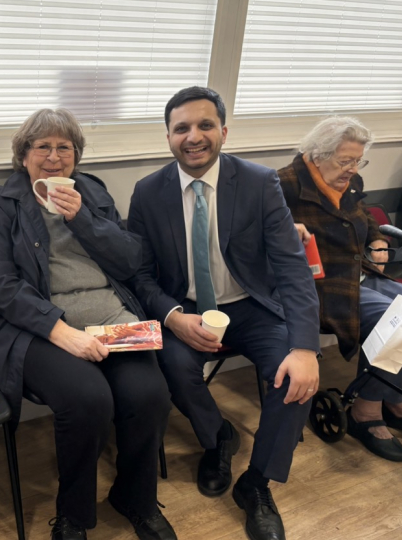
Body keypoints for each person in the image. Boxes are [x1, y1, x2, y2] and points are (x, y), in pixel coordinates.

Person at [0, 109, 174, 540]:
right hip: (37, 327)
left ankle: (134, 497)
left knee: (149, 393)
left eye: (65, 148)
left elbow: (129, 259)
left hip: (109, 315)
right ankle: (73, 515)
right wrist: (61, 332)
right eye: (42, 146)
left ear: (76, 157)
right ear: (24, 155)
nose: (54, 157)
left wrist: (83, 218)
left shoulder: (92, 192)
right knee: (88, 399)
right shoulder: (4, 202)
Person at [127, 87, 320, 540]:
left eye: (205, 125)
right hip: (187, 307)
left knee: (296, 374)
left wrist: (307, 347)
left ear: (223, 131)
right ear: (169, 137)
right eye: (181, 128)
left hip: (251, 304)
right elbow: (140, 276)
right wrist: (173, 317)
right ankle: (217, 440)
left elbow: (292, 269)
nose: (194, 136)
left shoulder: (258, 181)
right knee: (171, 365)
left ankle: (256, 484)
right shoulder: (148, 192)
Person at [278, 116, 402, 461]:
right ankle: (367, 412)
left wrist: (378, 240)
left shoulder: (349, 181)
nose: (352, 169)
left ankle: (396, 398)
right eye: (345, 160)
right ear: (317, 154)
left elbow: (366, 219)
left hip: (359, 273)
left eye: (358, 161)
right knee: (399, 318)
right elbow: (261, 240)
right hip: (318, 286)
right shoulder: (283, 185)